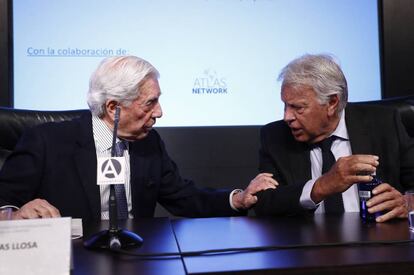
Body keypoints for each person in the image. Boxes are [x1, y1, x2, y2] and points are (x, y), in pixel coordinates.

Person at [0, 55, 277, 220]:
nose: (159, 112)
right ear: (113, 107)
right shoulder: (45, 141)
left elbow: (185, 197)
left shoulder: (149, 143)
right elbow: (4, 201)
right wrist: (15, 215)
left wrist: (237, 199)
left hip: (137, 258)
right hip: (75, 258)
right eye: (149, 103)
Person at [254, 54, 414, 222]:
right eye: (285, 105)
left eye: (297, 107)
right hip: (307, 243)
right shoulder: (275, 136)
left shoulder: (384, 123)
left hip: (380, 240)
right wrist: (321, 186)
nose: (287, 116)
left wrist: (407, 202)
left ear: (332, 103)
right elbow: (264, 203)